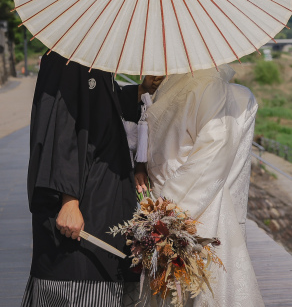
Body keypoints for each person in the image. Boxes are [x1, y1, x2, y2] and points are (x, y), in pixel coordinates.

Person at [21, 50, 162, 307]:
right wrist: (68, 200)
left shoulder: (94, 61)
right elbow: (59, 131)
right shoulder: (66, 59)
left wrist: (140, 90)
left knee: (96, 280)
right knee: (76, 282)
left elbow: (102, 110)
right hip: (80, 201)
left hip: (100, 195)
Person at [135, 65, 264, 307]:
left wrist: (171, 209)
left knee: (198, 286)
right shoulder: (168, 81)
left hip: (194, 203)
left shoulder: (208, 81)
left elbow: (213, 149)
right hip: (162, 201)